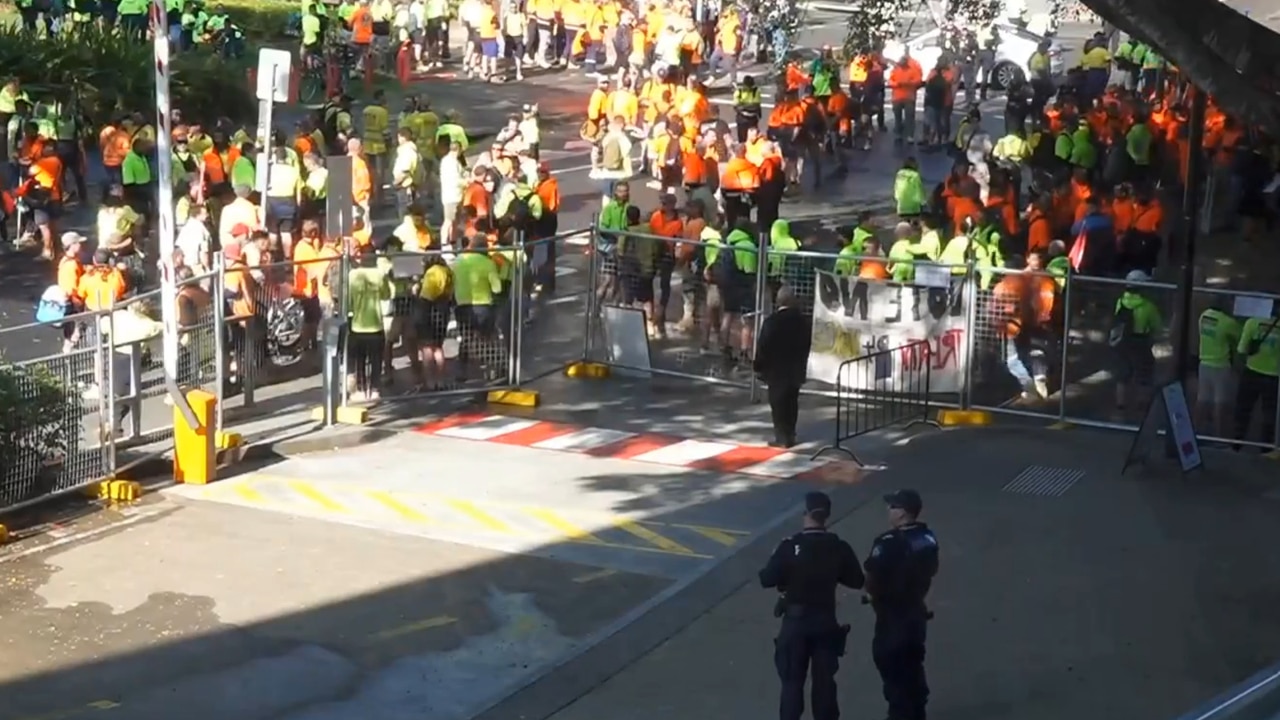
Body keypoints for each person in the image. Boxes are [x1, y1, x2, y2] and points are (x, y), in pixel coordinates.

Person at [758, 490, 864, 720]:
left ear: (805, 513)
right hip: (825, 622)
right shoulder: (838, 546)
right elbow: (857, 581)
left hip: (796, 623)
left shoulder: (789, 546)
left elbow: (766, 579)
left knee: (792, 683)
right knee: (825, 684)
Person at [865, 489, 940, 720]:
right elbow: (932, 570)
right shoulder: (927, 537)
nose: (889, 510)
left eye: (893, 507)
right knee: (913, 662)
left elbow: (872, 577)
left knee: (892, 667)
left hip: (892, 616)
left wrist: (871, 594)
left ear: (903, 513)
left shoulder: (886, 543)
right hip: (916, 611)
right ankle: (918, 710)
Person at [754, 285, 812, 448]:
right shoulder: (803, 322)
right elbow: (807, 344)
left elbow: (763, 345)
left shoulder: (772, 321)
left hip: (776, 369)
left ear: (778, 301)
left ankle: (781, 436)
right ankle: (791, 433)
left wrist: (758, 366)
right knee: (792, 401)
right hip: (795, 367)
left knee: (778, 403)